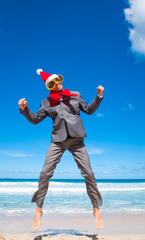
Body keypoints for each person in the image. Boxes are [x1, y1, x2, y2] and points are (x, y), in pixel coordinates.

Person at [18, 69, 104, 231]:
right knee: (45, 173)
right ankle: (39, 209)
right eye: (53, 82)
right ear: (49, 87)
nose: (57, 83)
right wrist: (24, 109)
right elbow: (35, 120)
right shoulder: (46, 102)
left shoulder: (75, 95)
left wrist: (98, 96)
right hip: (57, 141)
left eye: (58, 80)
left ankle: (96, 209)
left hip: (77, 140)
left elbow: (89, 110)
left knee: (88, 174)